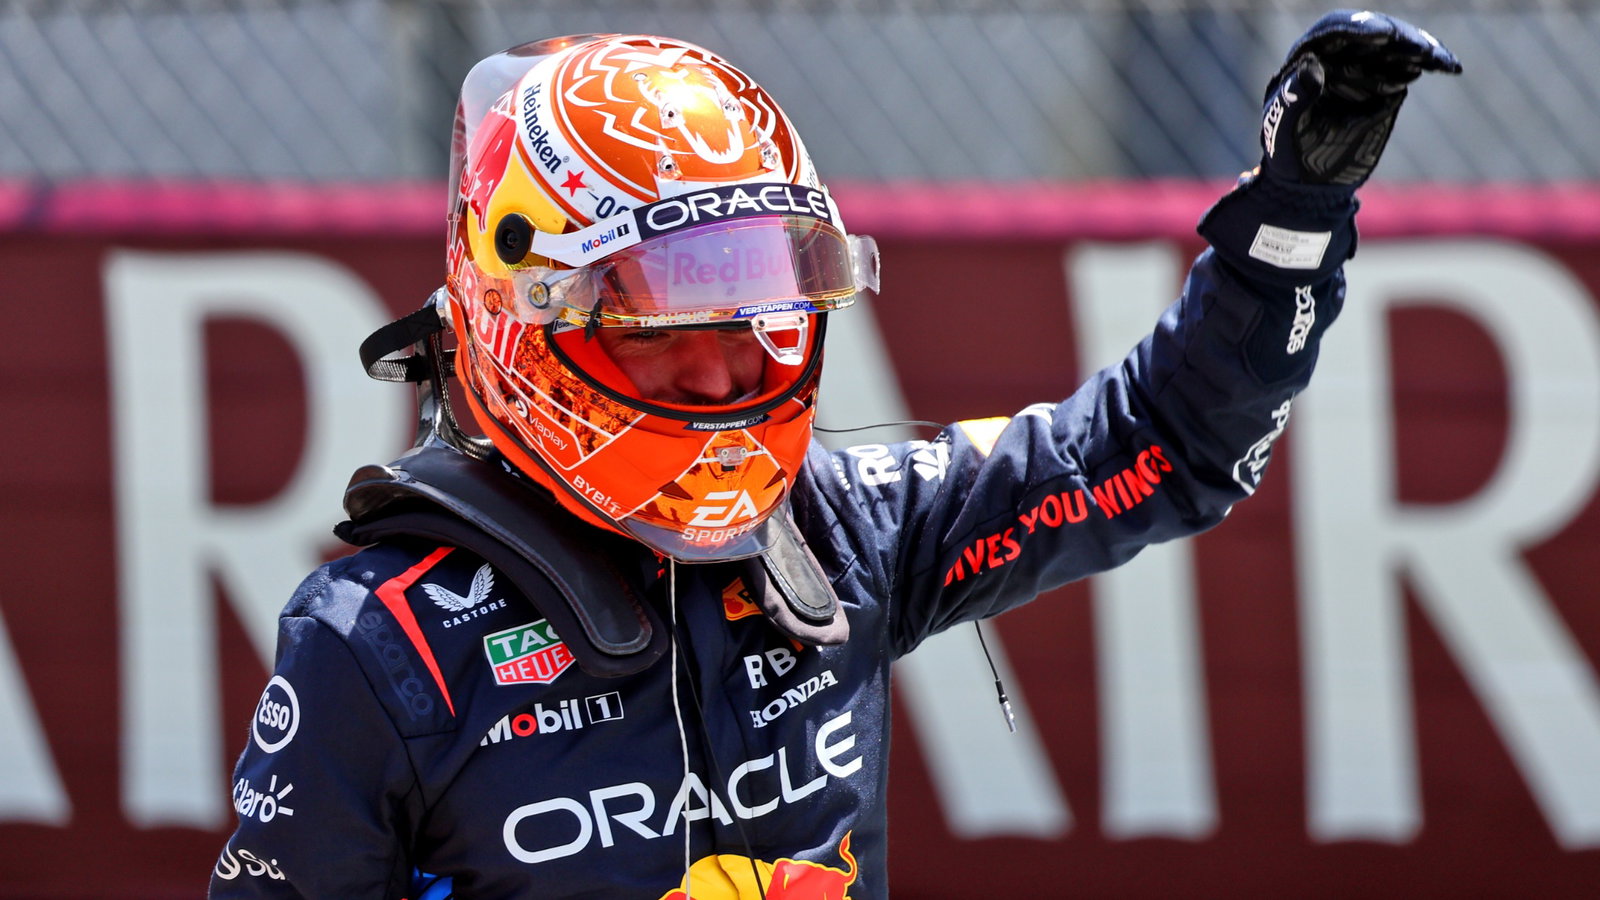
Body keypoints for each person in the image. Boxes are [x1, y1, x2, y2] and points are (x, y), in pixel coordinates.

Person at [211, 12, 1459, 899]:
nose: (724, 378)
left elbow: (1165, 446)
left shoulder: (843, 530)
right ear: (520, 317)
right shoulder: (374, 648)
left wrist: (1290, 223)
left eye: (756, 321)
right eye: (662, 334)